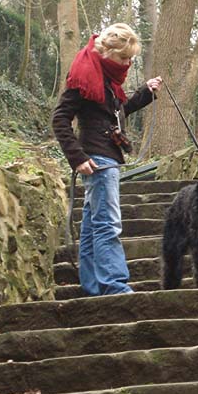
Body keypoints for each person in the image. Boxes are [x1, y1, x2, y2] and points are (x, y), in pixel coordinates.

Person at [52, 23, 162, 296]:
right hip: (97, 159)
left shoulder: (104, 78)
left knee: (91, 226)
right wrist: (77, 157)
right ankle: (114, 286)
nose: (127, 63)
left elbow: (116, 113)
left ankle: (93, 286)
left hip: (105, 157)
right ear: (108, 51)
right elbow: (60, 119)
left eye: (130, 58)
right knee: (108, 224)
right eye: (124, 58)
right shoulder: (85, 75)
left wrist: (146, 92)